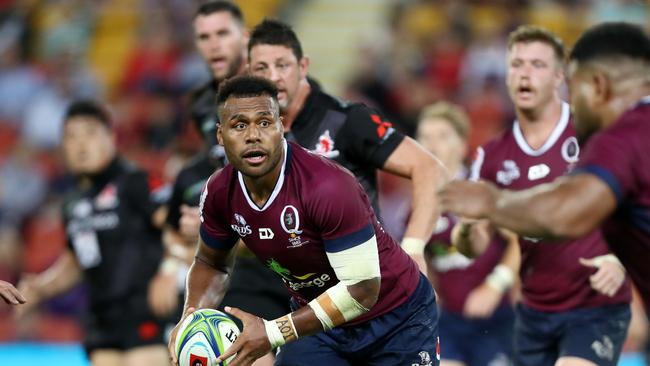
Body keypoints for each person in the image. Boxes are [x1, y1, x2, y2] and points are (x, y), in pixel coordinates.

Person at [167, 75, 440, 366]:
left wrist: (272, 332)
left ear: (281, 125)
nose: (253, 135)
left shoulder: (327, 185)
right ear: (220, 135)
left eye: (264, 122)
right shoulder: (219, 192)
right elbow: (211, 262)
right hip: (320, 323)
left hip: (395, 317)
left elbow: (362, 289)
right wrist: (190, 319)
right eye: (239, 125)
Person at [441, 20, 650, 330]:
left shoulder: (620, 137)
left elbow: (565, 214)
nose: (572, 105)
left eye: (574, 90)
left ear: (599, 87)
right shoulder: (494, 152)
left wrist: (493, 202)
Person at [247, 19, 444, 272]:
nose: (273, 77)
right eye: (262, 68)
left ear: (303, 66)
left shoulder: (347, 119)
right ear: (250, 73)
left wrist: (414, 248)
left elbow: (429, 168)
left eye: (282, 65)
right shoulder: (250, 137)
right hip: (299, 288)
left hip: (368, 283)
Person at [155, 6, 290, 362]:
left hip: (287, 261)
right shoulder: (201, 103)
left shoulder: (277, 92)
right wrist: (177, 256)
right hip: (234, 265)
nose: (214, 45)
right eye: (204, 37)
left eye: (222, 34)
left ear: (245, 39)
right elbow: (212, 173)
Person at [17, 101, 170, 366]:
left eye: (89, 133)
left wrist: (170, 271)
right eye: (71, 137)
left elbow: (178, 229)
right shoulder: (72, 203)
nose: (80, 145)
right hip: (101, 321)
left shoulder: (137, 182)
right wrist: (41, 288)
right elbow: (76, 262)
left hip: (146, 313)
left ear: (110, 137)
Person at [416, 102, 515, 366]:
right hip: (449, 321)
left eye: (442, 136)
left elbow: (520, 242)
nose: (432, 144)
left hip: (496, 318)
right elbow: (424, 259)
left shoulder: (482, 190)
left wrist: (496, 285)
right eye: (425, 137)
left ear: (462, 144)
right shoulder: (416, 205)